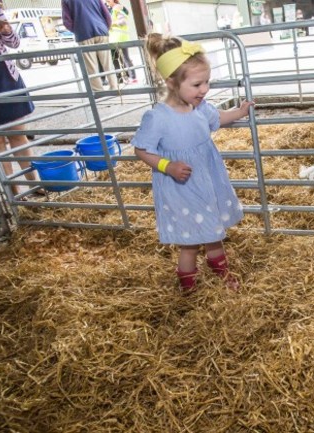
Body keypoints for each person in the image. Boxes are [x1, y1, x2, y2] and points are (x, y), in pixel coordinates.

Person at [132, 33, 254, 293]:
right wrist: (167, 166)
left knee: (214, 230)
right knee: (189, 241)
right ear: (172, 83)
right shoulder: (158, 118)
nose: (205, 89)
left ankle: (221, 272)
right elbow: (141, 150)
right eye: (198, 84)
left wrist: (239, 112)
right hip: (182, 187)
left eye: (207, 82)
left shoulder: (200, 108)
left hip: (207, 180)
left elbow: (218, 118)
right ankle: (188, 285)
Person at [0, 0, 42, 198]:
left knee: (18, 135)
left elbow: (14, 42)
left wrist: (5, 30)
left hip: (4, 76)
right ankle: (12, 193)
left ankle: (35, 185)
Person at [62, 0, 118, 92]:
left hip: (84, 33)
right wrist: (105, 28)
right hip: (101, 31)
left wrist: (77, 30)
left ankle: (98, 90)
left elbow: (66, 21)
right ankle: (114, 87)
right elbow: (106, 14)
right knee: (107, 62)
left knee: (91, 65)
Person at [106, 0, 137, 84]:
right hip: (114, 39)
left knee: (124, 58)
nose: (107, 3)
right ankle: (123, 78)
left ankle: (132, 77)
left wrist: (111, 24)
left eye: (108, 1)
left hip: (120, 38)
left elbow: (122, 22)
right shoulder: (113, 9)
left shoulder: (117, 8)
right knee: (117, 59)